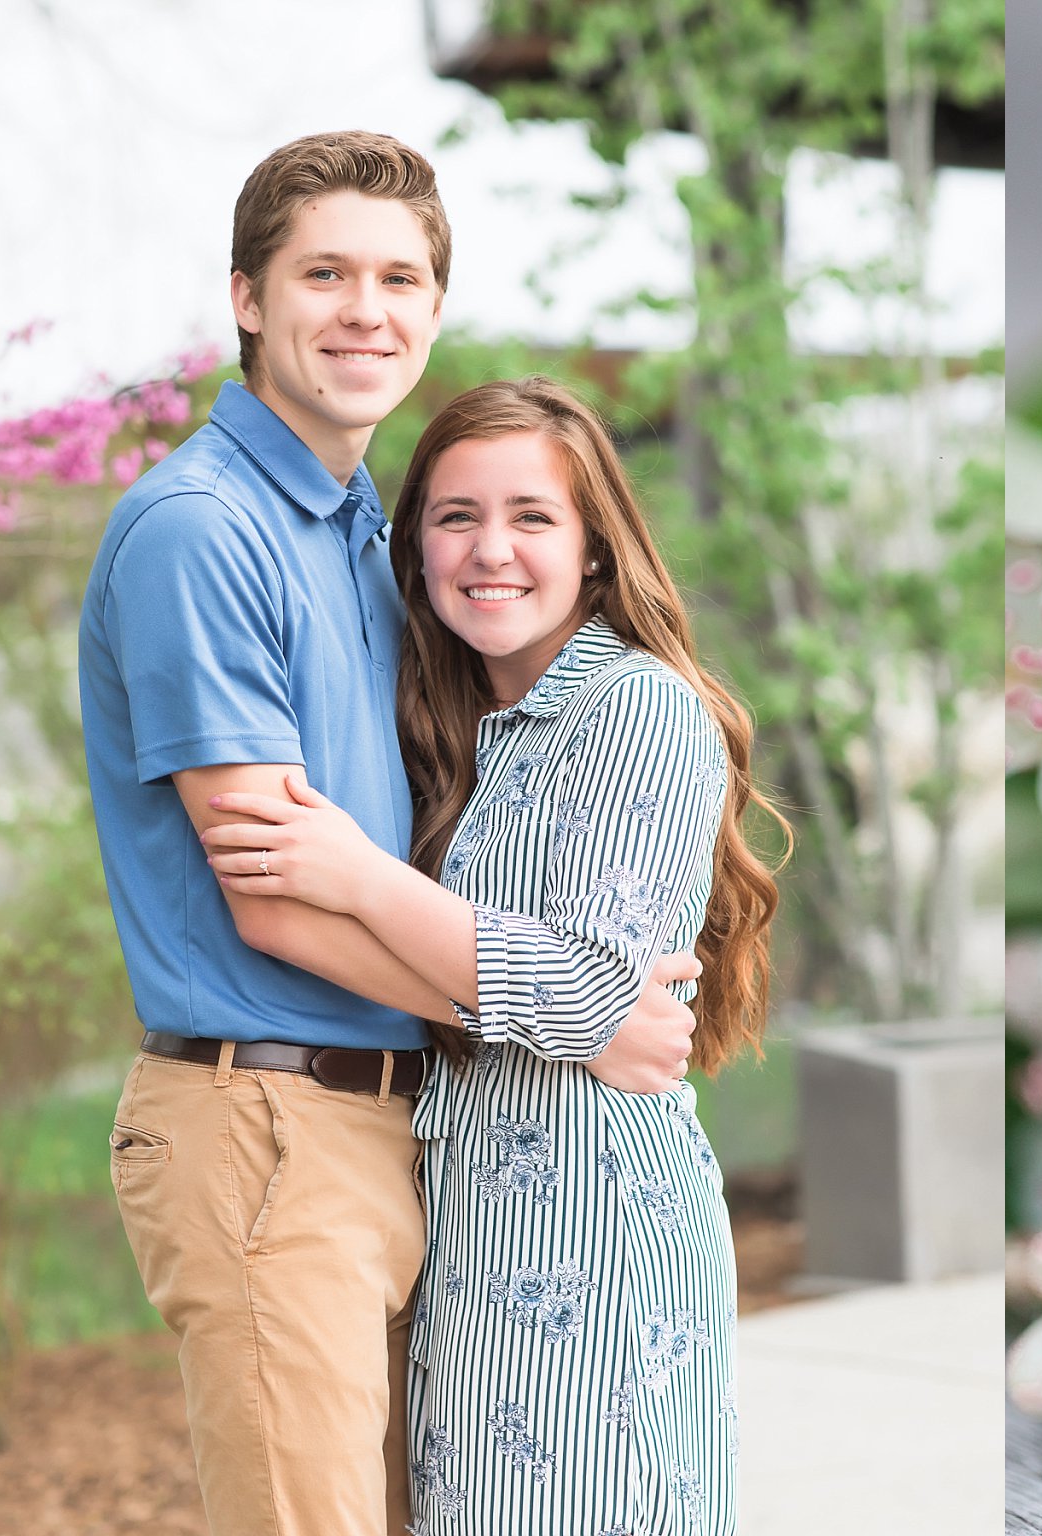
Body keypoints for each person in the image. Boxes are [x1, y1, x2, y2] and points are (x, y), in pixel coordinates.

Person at [79, 132, 700, 1536]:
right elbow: (278, 902)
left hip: (401, 1127)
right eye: (326, 274)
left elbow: (365, 866)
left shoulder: (369, 534)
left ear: (432, 310)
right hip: (267, 1124)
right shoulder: (203, 529)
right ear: (246, 297)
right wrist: (572, 1017)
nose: (367, 309)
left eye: (400, 278)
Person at [200, 376, 783, 1535]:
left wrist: (362, 878)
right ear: (413, 549)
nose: (490, 549)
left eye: (531, 517)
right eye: (455, 517)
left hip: (597, 1238)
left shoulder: (638, 709)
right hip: (470, 1235)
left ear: (595, 550)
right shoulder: (460, 733)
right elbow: (569, 1001)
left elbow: (593, 986)